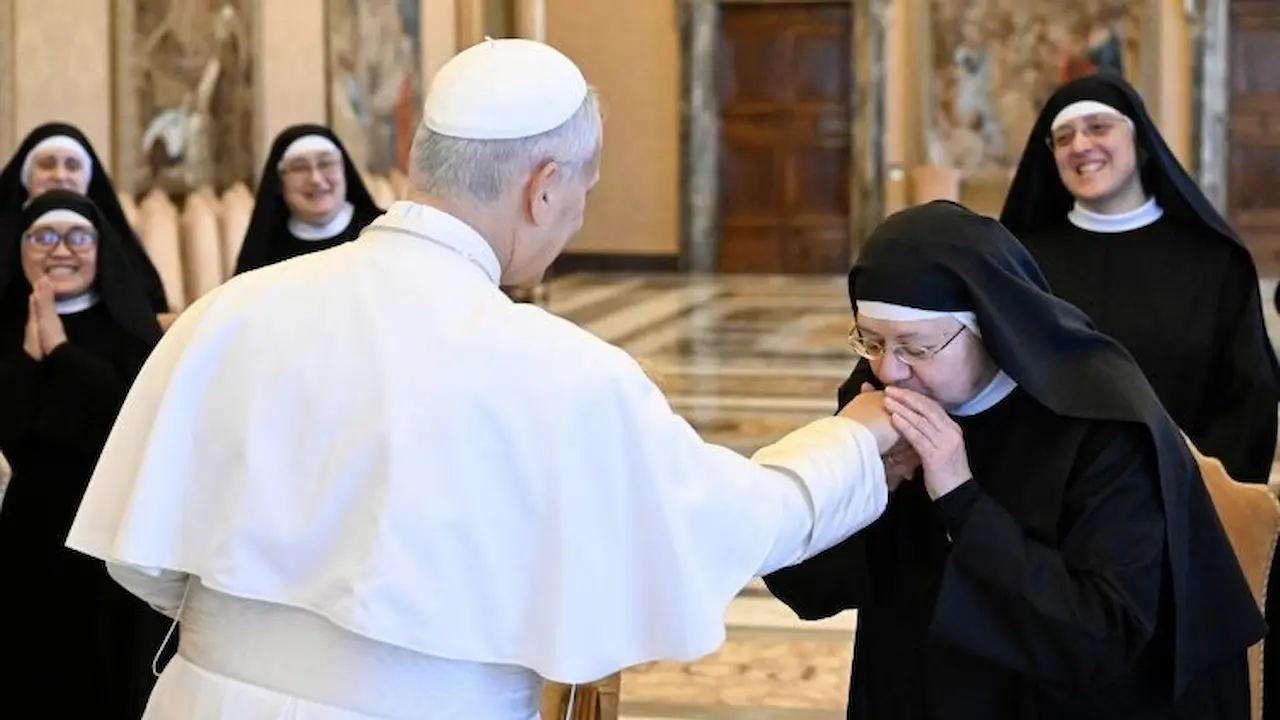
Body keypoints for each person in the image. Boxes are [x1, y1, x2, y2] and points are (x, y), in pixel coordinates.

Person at [64, 38, 903, 719]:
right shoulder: (561, 371)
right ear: (543, 189)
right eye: (581, 196)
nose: (572, 222)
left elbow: (147, 564)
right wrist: (857, 440)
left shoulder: (231, 311)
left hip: (200, 697)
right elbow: (729, 524)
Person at [763, 200, 1264, 719]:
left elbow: (1102, 637)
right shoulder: (877, 393)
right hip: (912, 686)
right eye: (871, 341)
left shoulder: (1099, 423)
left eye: (917, 347)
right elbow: (810, 590)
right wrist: (859, 483)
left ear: (986, 327)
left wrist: (961, 498)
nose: (890, 370)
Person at [1000, 73, 1278, 483]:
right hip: (1055, 505)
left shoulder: (1214, 263)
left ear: (1137, 137)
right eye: (1063, 137)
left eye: (1098, 127)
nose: (1080, 146)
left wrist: (1198, 487)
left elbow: (1248, 399)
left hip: (1189, 498)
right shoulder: (1020, 262)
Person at [0, 189, 170, 718]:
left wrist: (62, 352)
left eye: (78, 237)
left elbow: (127, 423)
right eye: (43, 237)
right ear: (20, 248)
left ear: (101, 248)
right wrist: (27, 364)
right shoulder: (9, 329)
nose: (60, 250)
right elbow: (14, 436)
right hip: (31, 533)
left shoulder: (133, 330)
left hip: (110, 533)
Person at [0, 122, 169, 312]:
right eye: (47, 165)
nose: (60, 175)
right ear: (26, 175)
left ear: (87, 177)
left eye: (72, 166)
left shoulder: (116, 241)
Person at [233, 124, 384, 274]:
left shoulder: (383, 232)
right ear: (279, 181)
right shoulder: (264, 251)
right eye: (299, 167)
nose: (315, 179)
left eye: (325, 163)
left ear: (344, 170)